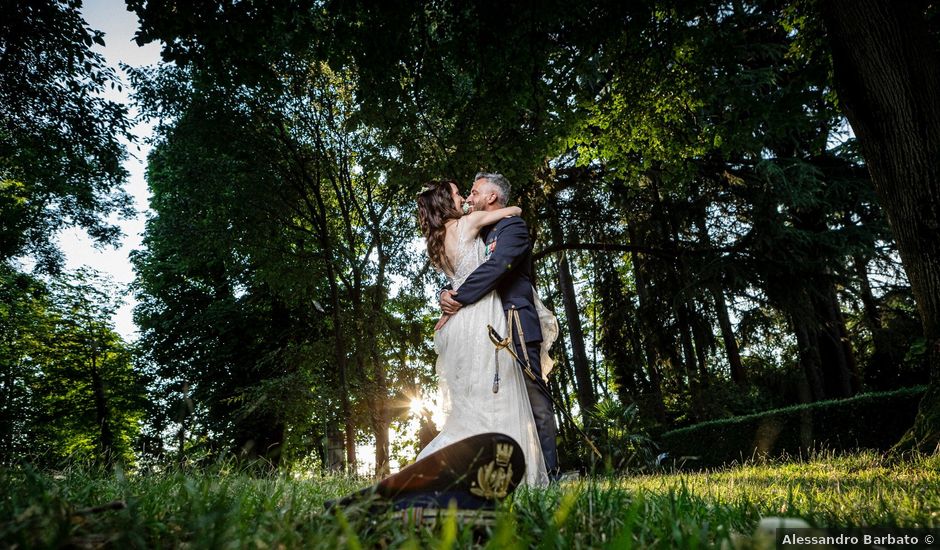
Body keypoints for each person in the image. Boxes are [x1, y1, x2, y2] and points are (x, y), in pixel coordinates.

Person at [416, 179, 548, 486]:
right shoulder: (470, 223)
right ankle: (507, 473)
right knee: (497, 394)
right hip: (481, 316)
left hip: (459, 324)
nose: (465, 197)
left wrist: (451, 295)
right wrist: (453, 296)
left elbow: (472, 272)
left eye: (472, 192)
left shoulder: (437, 240)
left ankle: (474, 470)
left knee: (475, 397)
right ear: (447, 201)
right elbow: (513, 209)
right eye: (460, 193)